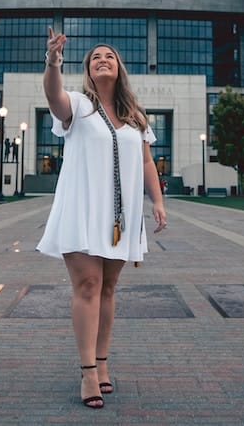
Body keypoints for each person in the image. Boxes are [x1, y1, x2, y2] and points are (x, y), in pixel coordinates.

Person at [37, 28, 167, 409]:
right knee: (89, 285)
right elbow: (53, 96)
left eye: (108, 56)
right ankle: (88, 371)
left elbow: (146, 161)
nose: (102, 60)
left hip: (120, 216)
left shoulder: (135, 116)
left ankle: (104, 362)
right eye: (95, 58)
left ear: (119, 67)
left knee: (109, 289)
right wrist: (53, 62)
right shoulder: (77, 105)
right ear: (88, 71)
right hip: (81, 209)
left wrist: (157, 202)